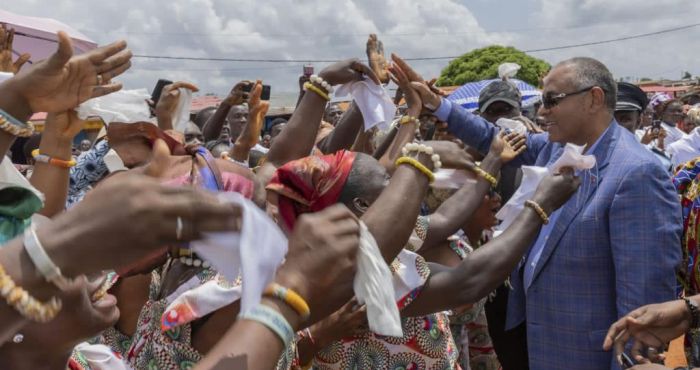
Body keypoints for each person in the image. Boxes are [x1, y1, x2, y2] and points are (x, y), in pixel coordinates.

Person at [403, 54, 682, 369]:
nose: (542, 110)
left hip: (589, 355)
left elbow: (643, 305)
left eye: (552, 100)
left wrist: (632, 362)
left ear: (594, 98)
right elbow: (488, 135)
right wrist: (436, 104)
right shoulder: (557, 147)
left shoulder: (636, 173)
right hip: (544, 346)